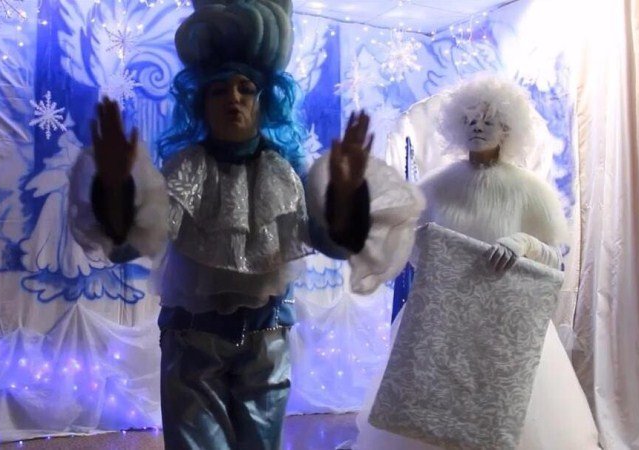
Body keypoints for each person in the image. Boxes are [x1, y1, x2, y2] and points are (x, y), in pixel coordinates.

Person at [69, 1, 425, 449]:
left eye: (246, 88)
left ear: (265, 100)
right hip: (192, 341)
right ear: (201, 102)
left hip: (266, 339)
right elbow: (129, 245)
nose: (233, 99)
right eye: (218, 90)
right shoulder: (184, 170)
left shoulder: (282, 173)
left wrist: (345, 196)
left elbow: (330, 243)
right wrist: (115, 188)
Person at [353, 75, 600, 449]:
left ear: (507, 129)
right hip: (445, 325)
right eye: (469, 121)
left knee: (505, 412)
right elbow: (415, 256)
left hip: (506, 326)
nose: (477, 129)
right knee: (430, 412)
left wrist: (523, 244)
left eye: (487, 121)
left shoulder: (530, 191)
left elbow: (552, 262)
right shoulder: (435, 187)